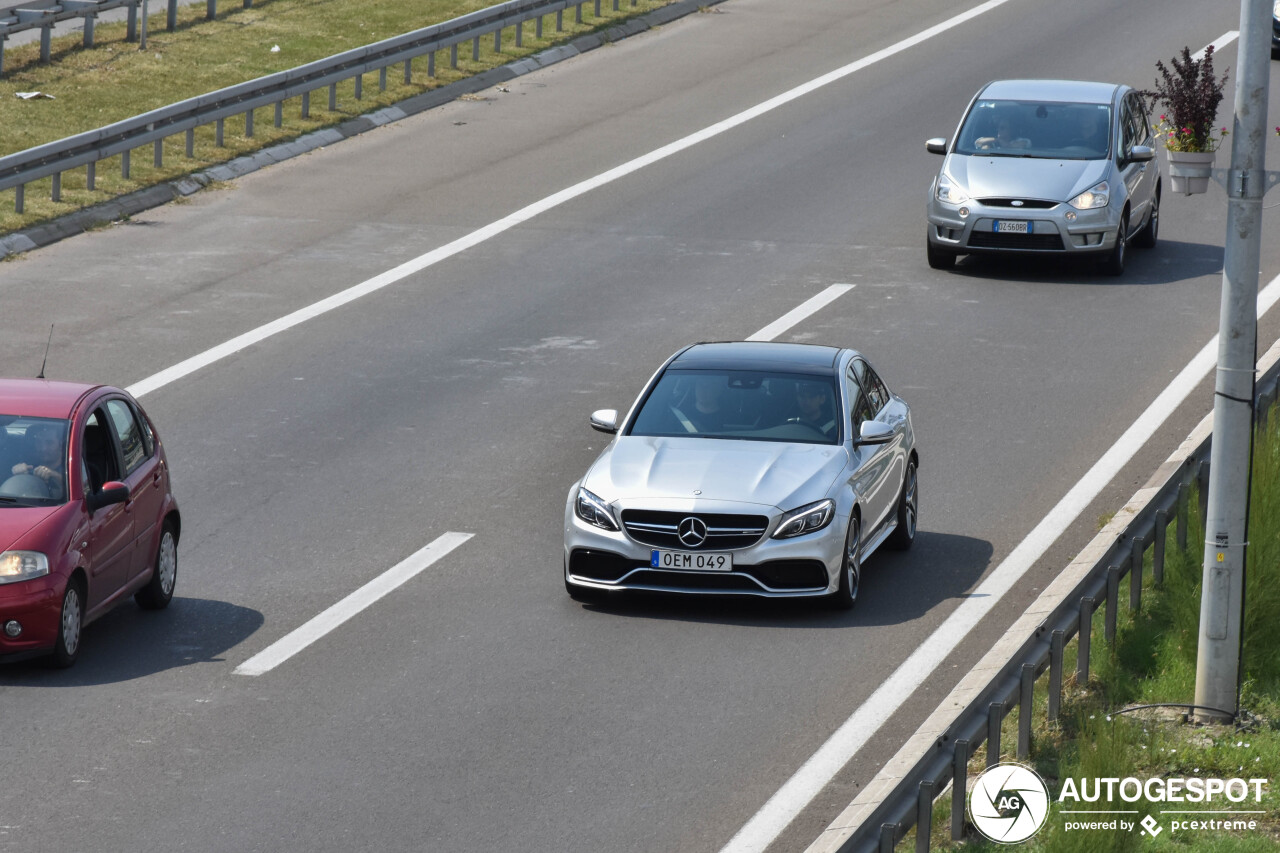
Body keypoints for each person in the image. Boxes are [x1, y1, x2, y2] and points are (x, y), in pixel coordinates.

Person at [11, 423, 66, 496]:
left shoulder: (72, 466)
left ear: (60, 445)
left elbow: (80, 490)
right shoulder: (29, 466)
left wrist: (56, 477)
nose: (43, 448)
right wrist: (17, 475)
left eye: (49, 443)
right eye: (39, 442)